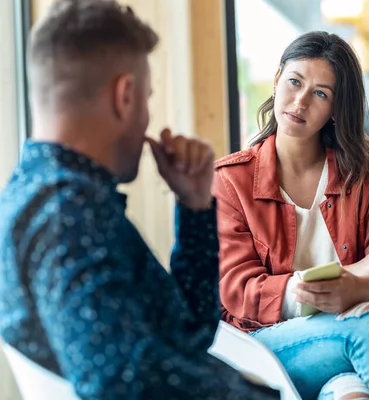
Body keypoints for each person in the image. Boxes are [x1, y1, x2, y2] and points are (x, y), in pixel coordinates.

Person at [0, 1, 277, 399]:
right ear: (125, 95)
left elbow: (188, 332)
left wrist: (195, 206)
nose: (149, 118)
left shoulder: (56, 199)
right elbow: (119, 382)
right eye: (146, 98)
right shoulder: (67, 217)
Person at [212, 31, 369, 400]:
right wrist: (352, 274)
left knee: (353, 393)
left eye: (321, 93)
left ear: (337, 109)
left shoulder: (366, 169)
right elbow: (238, 292)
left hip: (338, 342)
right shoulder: (231, 180)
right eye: (294, 82)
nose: (301, 101)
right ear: (277, 81)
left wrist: (355, 289)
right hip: (261, 347)